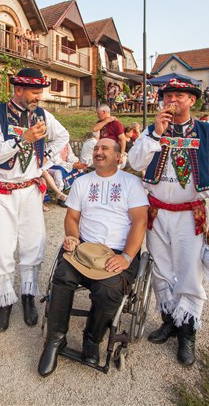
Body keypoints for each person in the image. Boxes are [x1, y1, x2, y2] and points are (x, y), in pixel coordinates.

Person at [128, 78, 209, 366]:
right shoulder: (151, 130)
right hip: (156, 213)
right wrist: (155, 135)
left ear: (192, 101)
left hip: (190, 215)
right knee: (161, 270)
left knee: (189, 271)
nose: (173, 100)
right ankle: (169, 321)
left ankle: (187, 333)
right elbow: (135, 163)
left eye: (180, 95)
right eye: (168, 95)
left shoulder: (208, 133)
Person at [38, 138, 149, 376]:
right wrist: (72, 238)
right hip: (85, 247)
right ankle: (55, 340)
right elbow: (72, 218)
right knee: (62, 277)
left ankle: (92, 339)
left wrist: (127, 257)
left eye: (105, 149)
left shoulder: (132, 183)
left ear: (119, 157)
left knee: (108, 290)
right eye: (97, 148)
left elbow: (140, 221)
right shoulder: (83, 182)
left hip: (118, 251)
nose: (98, 151)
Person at [0, 68, 69, 331]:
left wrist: (47, 159)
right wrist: (23, 140)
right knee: (1, 244)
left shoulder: (43, 115)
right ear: (18, 90)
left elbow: (62, 137)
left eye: (40, 91)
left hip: (31, 189)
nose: (38, 97)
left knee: (33, 241)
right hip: (1, 190)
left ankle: (28, 295)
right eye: (34, 91)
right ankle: (5, 298)